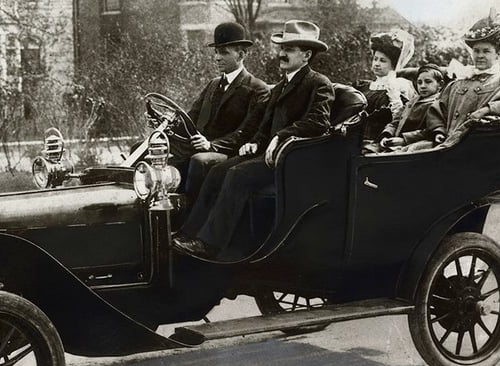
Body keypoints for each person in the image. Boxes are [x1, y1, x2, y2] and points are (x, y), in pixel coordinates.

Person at [172, 20, 334, 258]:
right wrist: (255, 142)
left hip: (291, 159)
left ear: (307, 55)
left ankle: (211, 244)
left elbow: (319, 122)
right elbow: (263, 125)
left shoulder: (318, 84)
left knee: (238, 175)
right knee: (218, 170)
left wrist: (281, 136)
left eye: (288, 49)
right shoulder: (280, 87)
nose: (281, 54)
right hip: (268, 154)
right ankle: (189, 233)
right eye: (281, 48)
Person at [151, 22, 269, 197]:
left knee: (199, 161)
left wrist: (211, 145)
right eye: (216, 52)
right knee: (149, 149)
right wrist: (164, 125)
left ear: (241, 55)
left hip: (226, 152)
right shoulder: (213, 85)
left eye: (224, 52)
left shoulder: (257, 89)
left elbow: (245, 133)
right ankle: (147, 208)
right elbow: (190, 118)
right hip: (198, 145)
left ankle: (189, 214)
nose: (217, 58)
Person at [425, 9, 500, 149]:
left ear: (498, 54)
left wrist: (487, 109)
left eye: (486, 51)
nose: (480, 55)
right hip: (446, 144)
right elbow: (437, 109)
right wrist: (439, 130)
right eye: (476, 51)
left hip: (480, 148)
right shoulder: (458, 83)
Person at [356, 30, 417, 152]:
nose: (377, 64)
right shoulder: (364, 86)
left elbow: (402, 117)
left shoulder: (400, 85)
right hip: (357, 137)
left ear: (393, 64)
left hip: (381, 140)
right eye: (375, 59)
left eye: (383, 61)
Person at [379, 63, 445, 152]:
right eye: (419, 82)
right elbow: (396, 121)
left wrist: (404, 139)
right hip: (397, 140)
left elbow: (432, 130)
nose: (423, 86)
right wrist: (387, 135)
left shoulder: (438, 103)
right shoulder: (411, 102)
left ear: (440, 85)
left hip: (417, 143)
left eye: (428, 81)